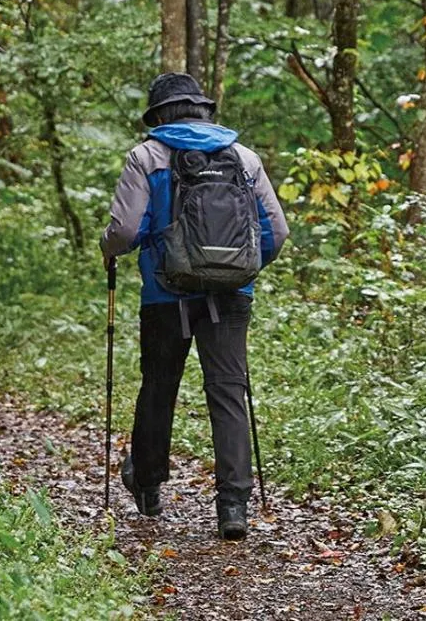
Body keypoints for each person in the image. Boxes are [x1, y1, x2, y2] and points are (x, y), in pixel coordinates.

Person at [100, 72, 290, 540]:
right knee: (228, 391)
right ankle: (233, 506)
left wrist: (108, 248)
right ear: (203, 111)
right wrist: (241, 269)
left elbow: (126, 230)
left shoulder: (147, 156)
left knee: (159, 385)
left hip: (166, 293)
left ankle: (147, 485)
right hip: (231, 296)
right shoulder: (244, 158)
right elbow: (277, 232)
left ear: (160, 115)